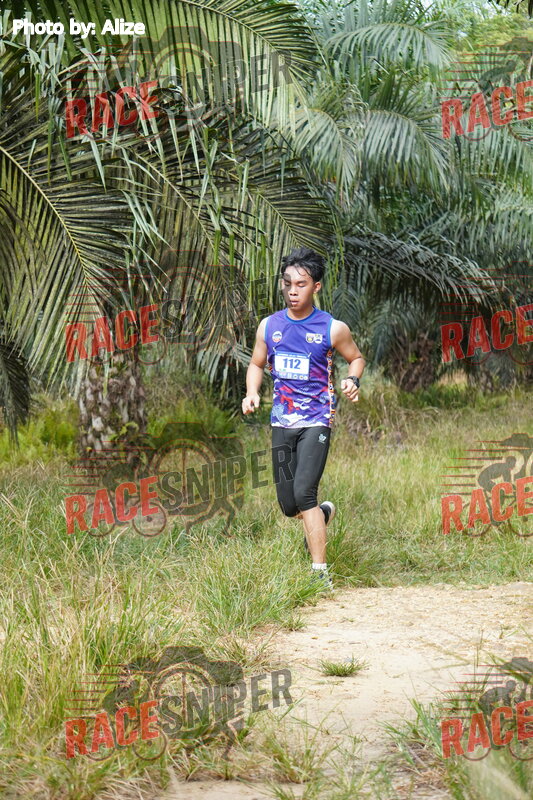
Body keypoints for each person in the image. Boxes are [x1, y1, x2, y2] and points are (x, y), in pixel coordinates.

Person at [242, 247, 365, 591]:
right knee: (288, 504)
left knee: (304, 492)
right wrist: (252, 392)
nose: (293, 291)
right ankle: (322, 516)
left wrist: (353, 380)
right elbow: (256, 363)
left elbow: (356, 358)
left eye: (301, 284)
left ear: (316, 287)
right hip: (282, 422)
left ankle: (319, 574)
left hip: (317, 420)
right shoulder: (270, 326)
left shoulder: (332, 328)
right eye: (287, 284)